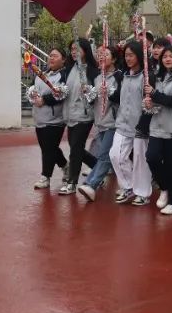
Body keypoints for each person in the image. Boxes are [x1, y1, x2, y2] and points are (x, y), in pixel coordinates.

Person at [145, 44, 172, 215]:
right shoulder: (157, 77)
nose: (168, 59)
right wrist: (149, 102)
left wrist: (155, 95)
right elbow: (154, 100)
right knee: (152, 157)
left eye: (171, 56)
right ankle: (164, 187)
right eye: (165, 57)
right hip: (157, 125)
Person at [77, 46, 121, 202]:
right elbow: (93, 101)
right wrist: (87, 94)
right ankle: (96, 181)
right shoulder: (97, 77)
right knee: (106, 156)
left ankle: (91, 184)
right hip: (100, 122)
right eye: (100, 55)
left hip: (113, 122)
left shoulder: (119, 76)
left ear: (114, 58)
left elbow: (120, 98)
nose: (101, 57)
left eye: (106, 55)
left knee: (104, 155)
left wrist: (110, 92)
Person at [110, 40, 151, 205]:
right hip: (122, 123)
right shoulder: (124, 76)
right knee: (115, 155)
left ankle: (142, 192)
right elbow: (119, 97)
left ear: (139, 56)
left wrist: (144, 121)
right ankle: (127, 187)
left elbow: (149, 103)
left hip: (140, 125)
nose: (128, 58)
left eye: (131, 55)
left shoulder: (146, 76)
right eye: (126, 55)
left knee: (141, 160)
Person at [60, 38, 99, 194]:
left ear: (85, 51)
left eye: (77, 49)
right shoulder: (69, 69)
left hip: (84, 116)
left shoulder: (92, 71)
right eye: (72, 49)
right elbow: (65, 89)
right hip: (70, 114)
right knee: (76, 148)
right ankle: (99, 167)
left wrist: (88, 92)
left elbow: (95, 95)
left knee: (75, 149)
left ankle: (72, 182)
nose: (74, 52)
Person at [30, 47, 68, 190]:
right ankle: (65, 166)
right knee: (49, 147)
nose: (51, 58)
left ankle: (45, 177)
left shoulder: (64, 75)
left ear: (63, 59)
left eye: (55, 56)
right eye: (50, 55)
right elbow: (34, 87)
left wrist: (44, 100)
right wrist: (32, 95)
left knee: (48, 149)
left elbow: (62, 93)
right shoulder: (42, 73)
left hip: (55, 119)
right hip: (39, 117)